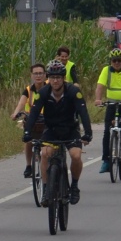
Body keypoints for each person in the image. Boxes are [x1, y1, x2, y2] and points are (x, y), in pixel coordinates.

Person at [21, 60, 93, 205]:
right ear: (49, 78)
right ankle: (47, 189)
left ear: (63, 78)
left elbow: (83, 112)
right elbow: (34, 113)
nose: (55, 80)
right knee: (45, 154)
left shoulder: (73, 91)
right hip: (51, 130)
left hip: (70, 130)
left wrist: (88, 133)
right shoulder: (43, 93)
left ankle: (74, 186)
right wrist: (27, 131)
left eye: (58, 77)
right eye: (52, 77)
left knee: (76, 155)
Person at [94, 49, 121, 174]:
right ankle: (106, 161)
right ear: (111, 61)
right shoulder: (106, 70)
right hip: (112, 103)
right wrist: (98, 99)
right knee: (107, 132)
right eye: (114, 61)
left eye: (119, 60)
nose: (117, 63)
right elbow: (100, 86)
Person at [10, 62, 48, 177]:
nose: (38, 76)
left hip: (46, 120)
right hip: (33, 121)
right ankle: (28, 166)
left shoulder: (49, 88)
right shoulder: (28, 90)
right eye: (35, 73)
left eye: (41, 73)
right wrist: (15, 113)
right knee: (28, 141)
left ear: (45, 75)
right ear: (31, 75)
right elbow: (21, 103)